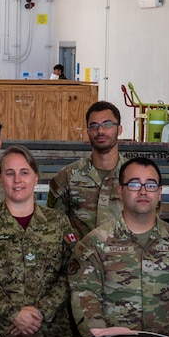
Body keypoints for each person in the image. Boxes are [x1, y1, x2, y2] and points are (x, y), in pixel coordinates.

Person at [68, 156, 169, 337]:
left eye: (151, 185)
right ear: (120, 191)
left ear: (160, 192)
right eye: (134, 184)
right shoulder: (96, 243)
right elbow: (85, 297)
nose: (143, 191)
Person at [0, 147, 77, 337]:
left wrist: (39, 313)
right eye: (10, 173)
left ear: (36, 177)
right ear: (0, 179)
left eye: (24, 172)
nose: (17, 180)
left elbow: (71, 274)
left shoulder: (59, 222)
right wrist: (14, 313)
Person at [48, 101, 126, 237]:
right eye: (93, 126)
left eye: (107, 124)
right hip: (80, 256)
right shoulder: (67, 177)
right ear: (88, 131)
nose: (100, 131)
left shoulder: (134, 176)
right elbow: (54, 226)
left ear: (119, 129)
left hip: (123, 256)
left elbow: (147, 223)